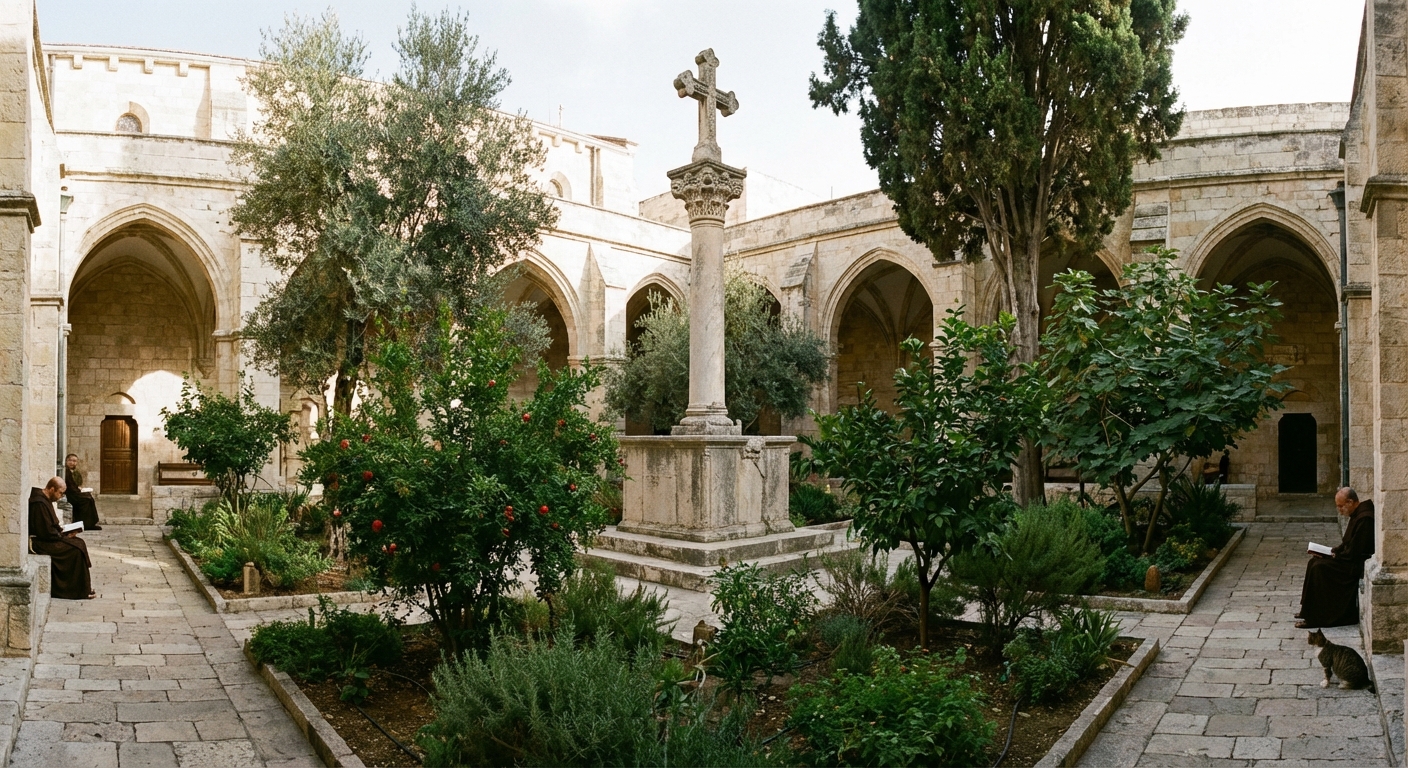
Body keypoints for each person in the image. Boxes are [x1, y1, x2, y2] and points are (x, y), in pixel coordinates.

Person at [1296, 487, 1373, 629]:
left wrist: (1334, 556)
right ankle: (1307, 609)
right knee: (1313, 561)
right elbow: (1347, 543)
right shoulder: (1356, 514)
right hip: (1349, 558)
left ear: (1350, 502)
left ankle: (1316, 617)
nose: (1339, 510)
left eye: (1340, 506)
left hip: (1354, 564)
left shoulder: (1364, 518)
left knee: (1319, 567)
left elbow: (1354, 551)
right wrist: (1332, 551)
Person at [29, 477, 94, 600]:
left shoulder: (45, 499)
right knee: (75, 549)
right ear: (51, 489)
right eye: (60, 493)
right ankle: (75, 590)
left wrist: (65, 533)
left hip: (49, 537)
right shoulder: (39, 503)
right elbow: (45, 532)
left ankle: (84, 587)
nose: (61, 496)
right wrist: (63, 535)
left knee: (79, 542)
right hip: (40, 542)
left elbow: (49, 527)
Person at [62, 454, 101, 530]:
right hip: (70, 494)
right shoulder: (66, 472)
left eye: (74, 461)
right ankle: (86, 524)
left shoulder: (71, 472)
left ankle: (91, 523)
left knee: (89, 497)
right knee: (86, 499)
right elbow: (70, 487)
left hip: (74, 492)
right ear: (66, 461)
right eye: (70, 460)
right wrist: (78, 491)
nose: (72, 463)